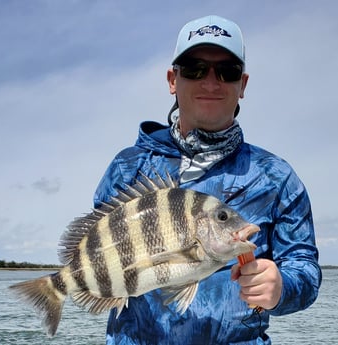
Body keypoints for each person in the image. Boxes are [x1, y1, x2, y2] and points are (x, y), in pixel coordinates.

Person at [94, 15, 321, 345]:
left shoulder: (278, 177)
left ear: (242, 85)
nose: (211, 82)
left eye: (226, 72)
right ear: (173, 79)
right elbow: (99, 251)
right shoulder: (128, 168)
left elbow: (307, 270)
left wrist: (281, 287)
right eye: (195, 69)